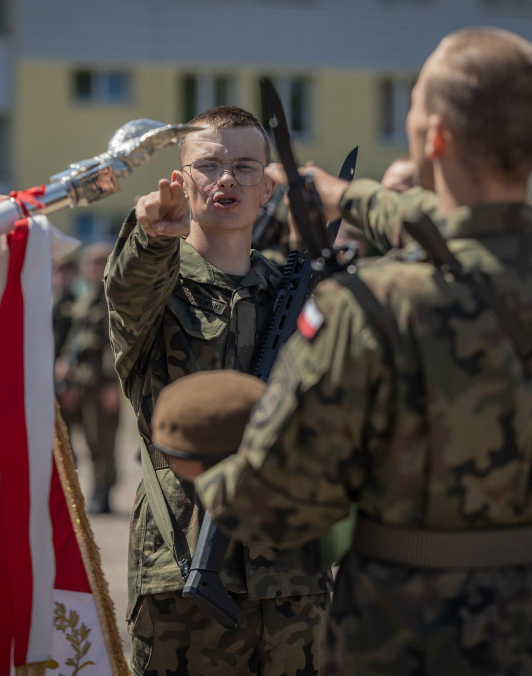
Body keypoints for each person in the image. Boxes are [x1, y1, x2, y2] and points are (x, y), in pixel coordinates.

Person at [176, 28, 532, 673]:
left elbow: (277, 501)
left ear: (435, 136)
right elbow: (470, 231)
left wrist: (201, 466)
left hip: (402, 632)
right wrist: (348, 195)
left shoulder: (370, 306)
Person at [104, 105, 328, 675]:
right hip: (182, 569)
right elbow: (128, 290)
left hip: (290, 577)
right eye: (208, 165)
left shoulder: (296, 292)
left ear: (267, 190)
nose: (226, 178)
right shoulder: (158, 281)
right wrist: (152, 233)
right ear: (180, 181)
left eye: (246, 167)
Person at [60, 243, 121, 514]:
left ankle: (103, 493)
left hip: (101, 382)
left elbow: (114, 346)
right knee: (81, 438)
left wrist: (112, 384)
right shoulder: (84, 299)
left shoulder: (114, 300)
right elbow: (73, 339)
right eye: (89, 265)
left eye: (98, 265)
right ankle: (84, 491)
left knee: (102, 442)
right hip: (81, 381)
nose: (92, 270)